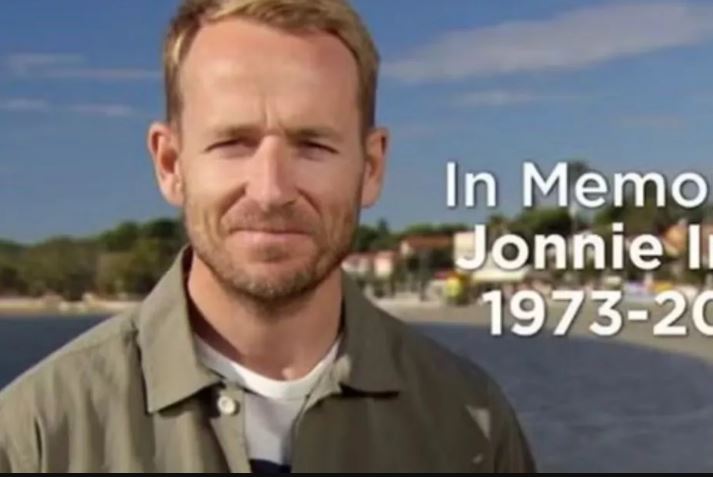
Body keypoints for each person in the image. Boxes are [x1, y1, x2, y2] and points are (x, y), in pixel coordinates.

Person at [0, 0, 535, 472]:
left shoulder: (471, 426)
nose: (272, 189)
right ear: (170, 163)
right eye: (233, 142)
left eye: (313, 146)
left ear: (371, 166)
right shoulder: (38, 437)